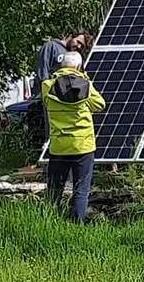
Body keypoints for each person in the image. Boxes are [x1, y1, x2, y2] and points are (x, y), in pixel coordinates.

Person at [43, 51, 105, 222]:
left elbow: (46, 102)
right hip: (83, 145)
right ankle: (78, 223)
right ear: (79, 66)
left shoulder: (48, 86)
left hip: (59, 146)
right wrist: (85, 80)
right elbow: (100, 104)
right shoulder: (85, 85)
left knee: (55, 188)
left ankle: (50, 220)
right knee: (81, 188)